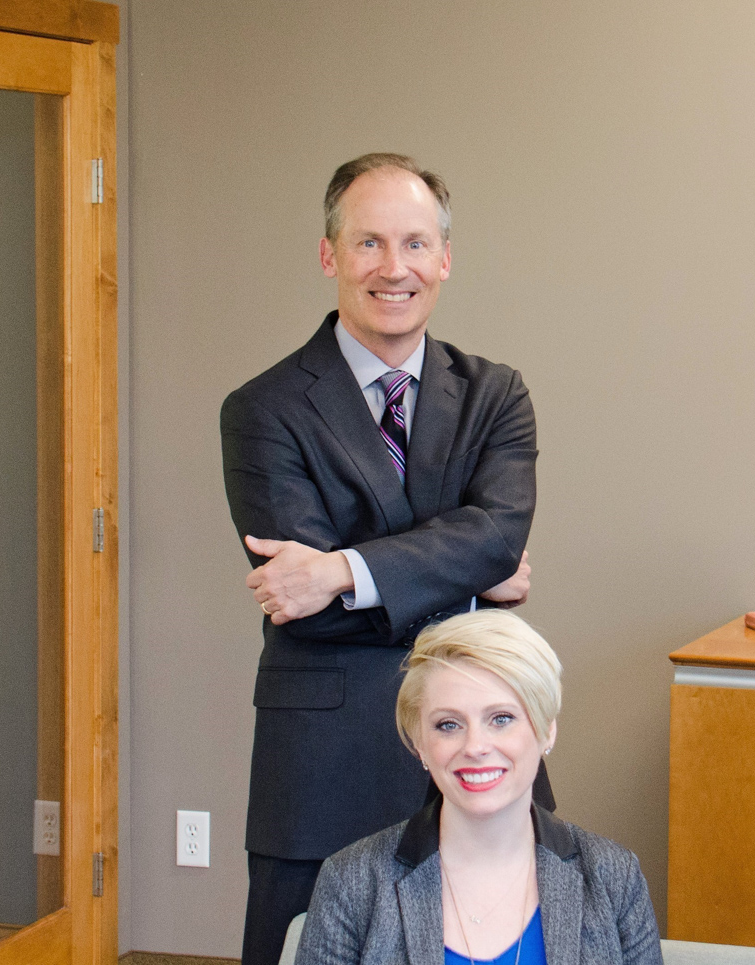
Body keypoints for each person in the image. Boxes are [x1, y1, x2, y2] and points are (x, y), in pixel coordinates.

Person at [222, 153, 546, 965]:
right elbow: (308, 609)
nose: (393, 268)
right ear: (328, 254)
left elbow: (499, 534)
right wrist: (467, 575)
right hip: (326, 761)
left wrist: (341, 568)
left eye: (414, 243)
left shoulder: (496, 394)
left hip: (479, 745)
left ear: (445, 258)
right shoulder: (262, 409)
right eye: (368, 243)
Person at [295, 610, 662, 965]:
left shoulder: (613, 876)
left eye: (501, 719)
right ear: (420, 742)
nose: (475, 747)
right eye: (448, 724)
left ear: (546, 729)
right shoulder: (351, 882)